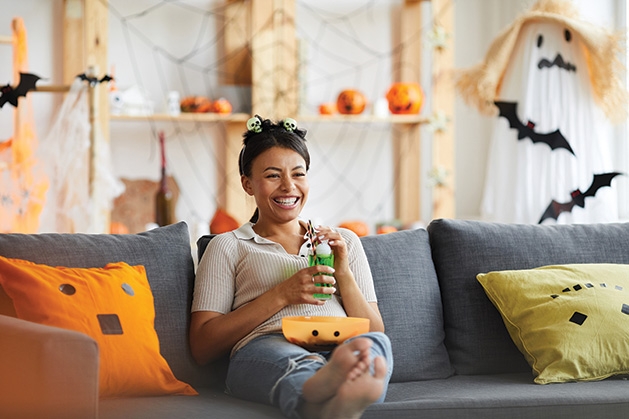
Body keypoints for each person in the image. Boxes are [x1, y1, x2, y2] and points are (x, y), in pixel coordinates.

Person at [190, 115, 393, 419]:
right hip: (266, 347)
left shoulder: (344, 241)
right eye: (273, 175)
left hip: (340, 342)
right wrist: (282, 295)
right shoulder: (228, 246)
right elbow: (202, 346)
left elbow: (375, 328)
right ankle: (329, 384)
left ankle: (327, 402)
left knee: (375, 343)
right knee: (288, 359)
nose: (289, 187)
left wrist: (344, 273)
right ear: (247, 183)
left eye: (298, 174)